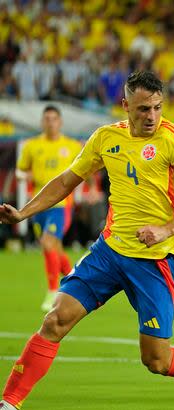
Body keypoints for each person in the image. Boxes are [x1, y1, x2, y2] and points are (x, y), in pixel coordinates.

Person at [0, 71, 174, 410]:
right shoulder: (106, 138)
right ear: (125, 106)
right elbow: (66, 181)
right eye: (142, 109)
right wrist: (25, 212)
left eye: (157, 107)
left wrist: (167, 229)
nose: (151, 116)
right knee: (55, 320)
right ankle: (7, 407)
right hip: (109, 252)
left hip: (155, 262)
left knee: (155, 360)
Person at [16, 105, 83, 312]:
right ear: (42, 122)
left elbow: (84, 170)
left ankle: (53, 292)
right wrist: (24, 176)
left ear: (60, 122)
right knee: (53, 249)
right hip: (38, 206)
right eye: (47, 118)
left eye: (54, 118)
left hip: (62, 205)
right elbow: (20, 170)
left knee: (47, 243)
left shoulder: (71, 146)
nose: (50, 122)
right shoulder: (32, 145)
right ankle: (80, 283)